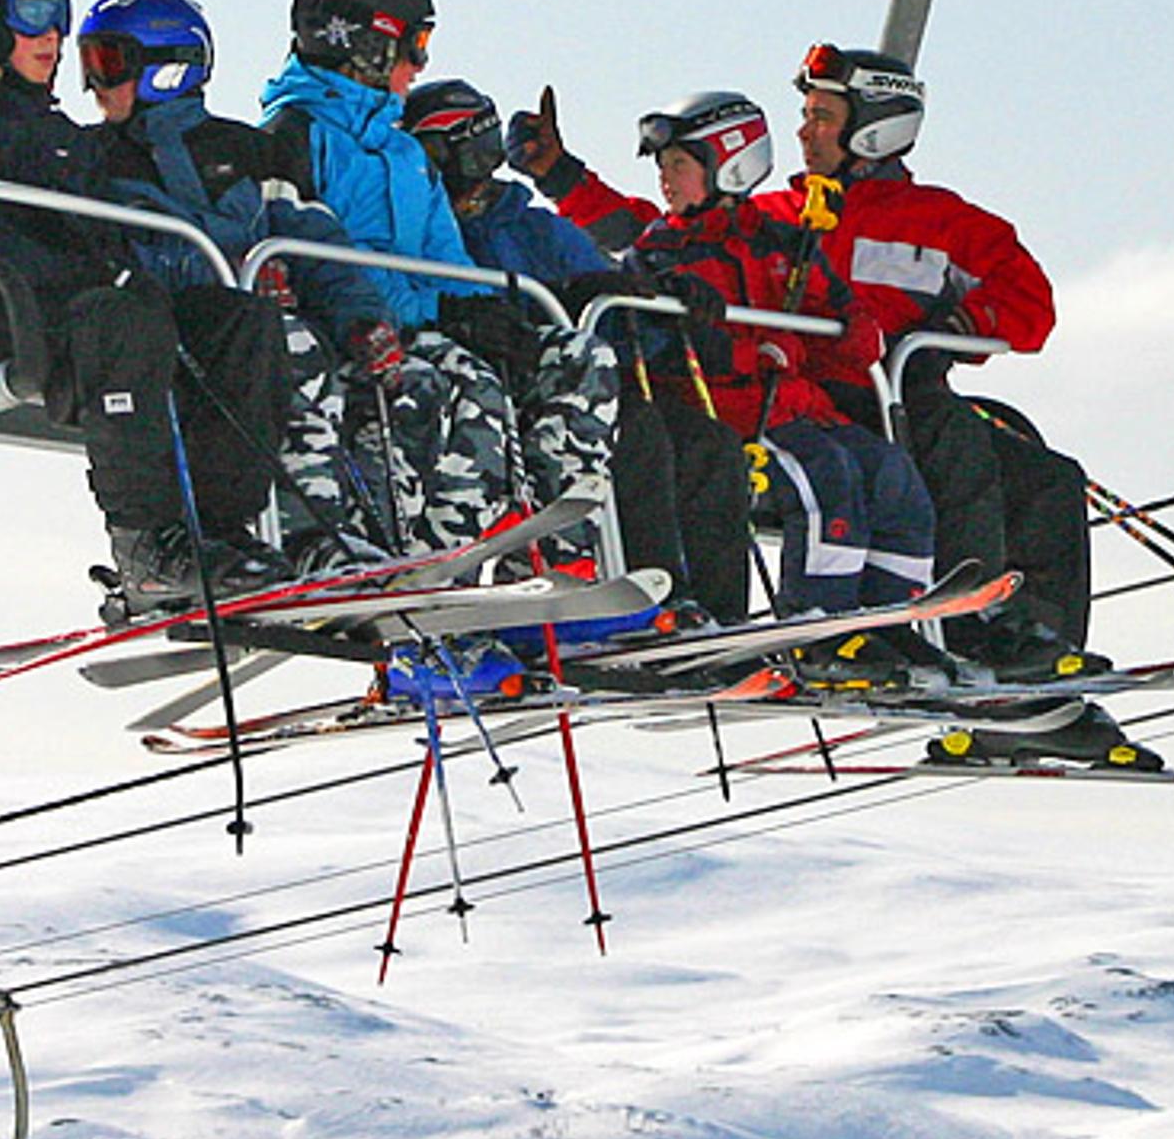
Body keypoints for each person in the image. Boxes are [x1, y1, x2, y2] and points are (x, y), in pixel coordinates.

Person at [0, 0, 287, 614]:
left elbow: (104, 229)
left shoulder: (53, 129)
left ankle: (218, 532)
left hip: (78, 310)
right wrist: (76, 278)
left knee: (238, 320)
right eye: (33, 12)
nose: (53, 34)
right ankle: (146, 544)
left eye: (61, 13)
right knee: (120, 318)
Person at [529, 88, 937, 634]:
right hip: (734, 414)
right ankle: (821, 626)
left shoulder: (781, 242)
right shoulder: (660, 254)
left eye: (679, 164)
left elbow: (854, 335)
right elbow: (643, 343)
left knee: (894, 476)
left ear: (731, 165)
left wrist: (811, 334)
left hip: (799, 409)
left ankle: (892, 623)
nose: (666, 179)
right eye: (663, 166)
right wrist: (685, 318)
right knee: (827, 479)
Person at [787, 41, 1095, 677]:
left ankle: (1040, 646)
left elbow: (1029, 305)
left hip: (902, 392)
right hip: (819, 398)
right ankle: (972, 621)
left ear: (873, 129)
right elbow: (668, 237)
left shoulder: (941, 222)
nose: (804, 132)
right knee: (954, 443)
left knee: (1049, 480)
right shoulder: (784, 219)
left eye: (822, 117)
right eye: (808, 115)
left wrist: (957, 325)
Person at [75, 0, 393, 568]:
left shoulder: (248, 151)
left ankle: (400, 544)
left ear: (167, 67)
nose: (96, 84)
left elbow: (315, 240)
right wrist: (236, 277)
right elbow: (117, 255)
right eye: (89, 64)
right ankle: (304, 539)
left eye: (109, 63)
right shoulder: (94, 158)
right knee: (289, 348)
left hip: (254, 322)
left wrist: (364, 320)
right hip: (190, 329)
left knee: (405, 381)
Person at [404, 77, 742, 622]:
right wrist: (562, 302)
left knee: (710, 442)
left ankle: (720, 617)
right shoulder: (433, 228)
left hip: (574, 383)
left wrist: (665, 300)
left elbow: (612, 291)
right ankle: (656, 597)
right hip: (498, 385)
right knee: (637, 433)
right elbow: (465, 302)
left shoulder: (533, 227)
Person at [253, 0, 549, 552]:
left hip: (422, 322)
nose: (421, 66)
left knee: (564, 359)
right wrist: (437, 317)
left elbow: (445, 257)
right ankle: (407, 554)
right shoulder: (292, 136)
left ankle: (556, 551)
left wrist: (480, 313)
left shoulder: (406, 153)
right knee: (458, 388)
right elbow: (326, 256)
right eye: (414, 46)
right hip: (352, 329)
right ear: (367, 47)